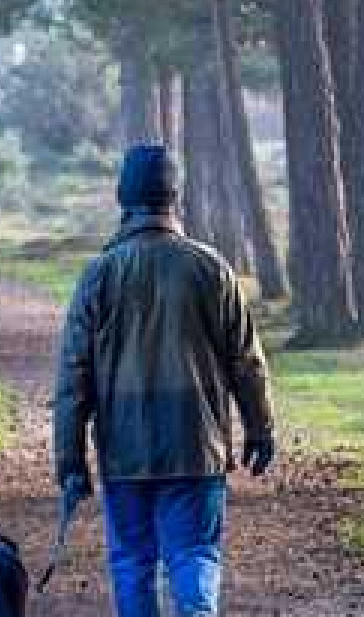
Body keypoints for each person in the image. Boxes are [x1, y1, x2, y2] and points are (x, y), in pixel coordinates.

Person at [52, 143, 276, 617]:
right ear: (176, 196)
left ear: (122, 197)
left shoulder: (99, 274)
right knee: (194, 556)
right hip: (196, 445)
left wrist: (70, 457)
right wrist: (261, 428)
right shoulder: (210, 268)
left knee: (132, 564)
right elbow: (245, 361)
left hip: (125, 450)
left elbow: (74, 376)